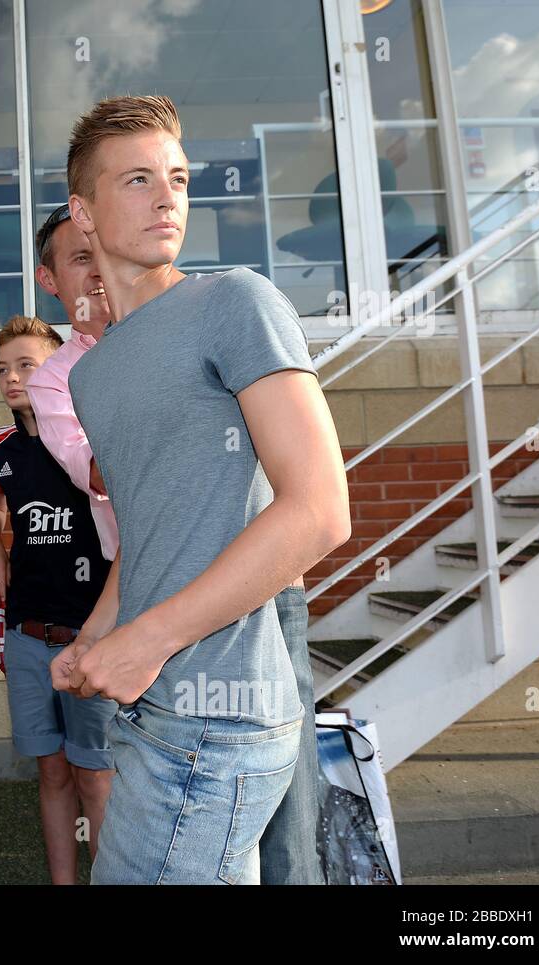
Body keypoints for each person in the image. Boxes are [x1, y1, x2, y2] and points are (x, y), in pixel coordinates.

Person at [51, 95, 350, 885]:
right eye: (139, 179)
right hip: (148, 714)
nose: (168, 197)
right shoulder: (92, 373)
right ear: (83, 211)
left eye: (178, 178)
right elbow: (153, 531)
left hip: (222, 718)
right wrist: (96, 633)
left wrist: (145, 642)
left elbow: (320, 511)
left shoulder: (234, 302)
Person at [0, 315, 115, 884]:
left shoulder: (91, 444)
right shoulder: (0, 451)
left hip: (92, 636)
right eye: (4, 368)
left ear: (59, 368)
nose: (13, 378)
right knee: (52, 773)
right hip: (29, 637)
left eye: (27, 365)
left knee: (95, 776)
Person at [25, 204, 116, 562]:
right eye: (81, 258)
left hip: (256, 558)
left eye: (106, 253)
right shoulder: (51, 382)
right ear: (48, 279)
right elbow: (99, 476)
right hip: (151, 576)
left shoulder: (179, 332)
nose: (98, 271)